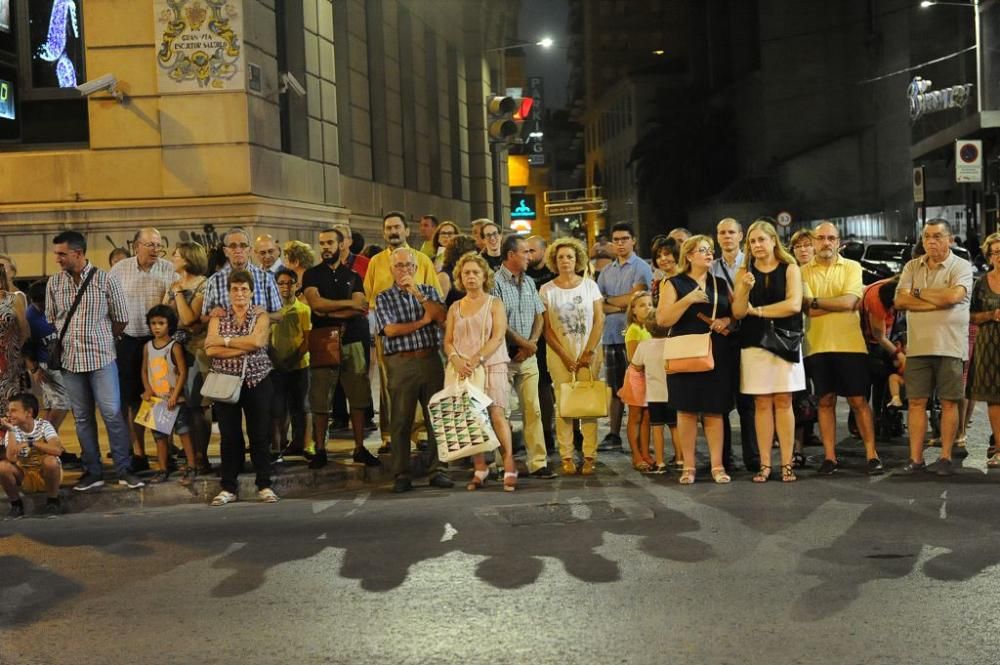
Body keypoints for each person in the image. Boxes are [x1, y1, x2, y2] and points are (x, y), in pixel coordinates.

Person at [47, 230, 143, 491]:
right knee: (82, 418)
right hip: (70, 362)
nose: (57, 259)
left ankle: (124, 469)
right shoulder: (54, 283)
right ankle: (93, 471)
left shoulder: (105, 280)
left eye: (61, 254)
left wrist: (100, 338)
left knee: (112, 413)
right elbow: (51, 319)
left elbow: (121, 318)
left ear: (78, 253)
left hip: (101, 359)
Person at [800, 221, 883, 476]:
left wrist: (817, 302)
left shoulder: (852, 267)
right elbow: (806, 307)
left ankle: (872, 454)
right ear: (813, 241)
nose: (826, 242)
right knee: (825, 401)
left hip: (851, 344)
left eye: (831, 238)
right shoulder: (801, 271)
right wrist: (833, 303)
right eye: (821, 238)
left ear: (839, 242)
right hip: (817, 345)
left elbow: (850, 302)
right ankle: (829, 457)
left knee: (859, 400)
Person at [895, 219, 973, 476]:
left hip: (950, 345)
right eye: (927, 236)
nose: (931, 241)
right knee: (916, 402)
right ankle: (915, 459)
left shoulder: (961, 266)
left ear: (950, 239)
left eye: (938, 236)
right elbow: (899, 300)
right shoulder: (912, 266)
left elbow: (954, 297)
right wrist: (934, 298)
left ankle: (945, 457)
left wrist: (917, 294)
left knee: (950, 402)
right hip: (918, 346)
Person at [657, 235, 735, 485]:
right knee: (687, 410)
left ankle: (717, 465)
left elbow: (736, 314)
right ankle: (688, 466)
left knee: (714, 410)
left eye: (710, 250)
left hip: (716, 352)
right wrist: (688, 299)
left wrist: (729, 322)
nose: (709, 253)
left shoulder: (720, 284)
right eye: (702, 250)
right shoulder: (674, 283)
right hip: (685, 353)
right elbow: (663, 320)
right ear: (689, 256)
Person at [375, 247, 453, 493]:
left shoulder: (428, 291)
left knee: (436, 417)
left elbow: (441, 318)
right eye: (399, 266)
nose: (404, 270)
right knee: (401, 419)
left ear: (416, 269)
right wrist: (421, 321)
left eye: (408, 265)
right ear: (391, 270)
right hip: (402, 362)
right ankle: (401, 473)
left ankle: (437, 469)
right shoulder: (384, 297)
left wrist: (419, 296)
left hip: (430, 359)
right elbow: (390, 330)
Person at [730, 220, 804, 483]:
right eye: (752, 241)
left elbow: (794, 305)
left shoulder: (790, 268)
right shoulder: (744, 272)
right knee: (761, 404)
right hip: (753, 343)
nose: (757, 245)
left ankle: (786, 464)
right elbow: (738, 313)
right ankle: (765, 465)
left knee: (783, 401)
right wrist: (744, 289)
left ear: (774, 241)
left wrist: (758, 311)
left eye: (761, 239)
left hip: (784, 341)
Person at [364, 212, 443, 448]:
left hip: (422, 337)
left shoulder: (421, 260)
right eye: (388, 228)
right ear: (384, 232)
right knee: (390, 385)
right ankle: (390, 436)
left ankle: (420, 434)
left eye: (397, 227)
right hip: (389, 333)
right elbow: (369, 298)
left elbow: (436, 299)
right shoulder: (376, 262)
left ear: (407, 231)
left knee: (423, 387)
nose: (393, 231)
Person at [302, 229, 379, 467]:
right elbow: (316, 304)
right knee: (321, 397)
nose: (325, 247)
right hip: (324, 340)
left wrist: (330, 309)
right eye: (322, 243)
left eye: (330, 242)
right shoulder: (312, 275)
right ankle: (321, 449)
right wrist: (348, 305)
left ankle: (359, 447)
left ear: (341, 244)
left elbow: (361, 306)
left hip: (353, 340)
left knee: (357, 395)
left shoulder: (353, 275)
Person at [444, 253, 518, 492]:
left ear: (484, 275)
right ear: (460, 277)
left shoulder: (495, 304)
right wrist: (455, 359)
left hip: (491, 365)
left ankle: (508, 464)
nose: (471, 277)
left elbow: (497, 337)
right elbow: (448, 341)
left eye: (476, 272)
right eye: (466, 273)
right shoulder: (455, 307)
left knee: (497, 415)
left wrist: (477, 359)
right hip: (463, 369)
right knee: (472, 419)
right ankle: (480, 468)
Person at [204, 270, 279, 506]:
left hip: (258, 379)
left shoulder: (260, 315)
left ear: (251, 291)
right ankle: (228, 487)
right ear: (228, 292)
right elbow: (210, 349)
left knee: (259, 433)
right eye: (235, 289)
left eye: (244, 289)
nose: (239, 293)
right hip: (225, 381)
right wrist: (243, 346)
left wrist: (225, 342)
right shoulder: (218, 316)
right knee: (229, 436)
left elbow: (258, 342)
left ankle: (264, 484)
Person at [109, 227, 177, 471]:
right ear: (136, 246)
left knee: (161, 397)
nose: (155, 250)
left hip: (159, 343)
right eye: (150, 245)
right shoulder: (119, 270)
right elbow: (110, 304)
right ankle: (138, 453)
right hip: (129, 340)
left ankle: (165, 452)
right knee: (133, 399)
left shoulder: (169, 269)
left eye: (158, 245)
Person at [539, 238, 605, 475]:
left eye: (569, 257)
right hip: (559, 354)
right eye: (560, 257)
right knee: (564, 405)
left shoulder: (590, 286)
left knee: (588, 404)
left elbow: (599, 320)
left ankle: (589, 454)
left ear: (577, 259)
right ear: (554, 262)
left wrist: (588, 351)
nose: (565, 261)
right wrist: (565, 356)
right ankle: (566, 454)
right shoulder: (547, 290)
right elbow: (546, 329)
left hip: (589, 352)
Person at [491, 235, 552, 479]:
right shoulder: (494, 283)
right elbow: (499, 322)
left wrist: (533, 344)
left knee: (533, 410)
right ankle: (502, 463)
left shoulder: (528, 282)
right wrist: (523, 343)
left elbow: (540, 314)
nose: (529, 256)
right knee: (501, 412)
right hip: (503, 358)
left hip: (528, 357)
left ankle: (538, 462)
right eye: (525, 252)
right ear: (510, 255)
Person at [597, 222, 654, 452]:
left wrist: (615, 301)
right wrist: (621, 304)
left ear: (633, 240)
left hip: (634, 335)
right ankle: (613, 434)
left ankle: (641, 438)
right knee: (615, 387)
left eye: (624, 239)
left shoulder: (641, 267)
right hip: (611, 334)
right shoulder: (606, 271)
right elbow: (599, 304)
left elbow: (637, 300)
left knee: (639, 387)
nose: (620, 243)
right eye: (616, 239)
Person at [711, 217, 758, 473]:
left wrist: (732, 317)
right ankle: (724, 457)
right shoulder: (711, 267)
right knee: (721, 400)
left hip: (748, 335)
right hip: (722, 338)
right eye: (722, 232)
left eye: (731, 232)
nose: (727, 236)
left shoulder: (751, 265)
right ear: (717, 237)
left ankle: (753, 456)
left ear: (740, 235)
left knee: (748, 400)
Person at [163, 241, 211, 473]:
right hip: (173, 350)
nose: (172, 257)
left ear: (189, 258)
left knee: (197, 406)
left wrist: (179, 294)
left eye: (177, 254)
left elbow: (190, 318)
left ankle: (202, 456)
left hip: (196, 351)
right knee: (177, 404)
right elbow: (163, 316)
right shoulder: (172, 285)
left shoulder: (203, 284)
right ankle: (186, 456)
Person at [140, 305, 197, 484]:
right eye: (153, 323)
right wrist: (148, 389)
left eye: (161, 323)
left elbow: (182, 372)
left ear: (169, 324)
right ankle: (163, 468)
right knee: (159, 437)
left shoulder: (174, 346)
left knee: (184, 433)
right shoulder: (148, 346)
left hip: (174, 400)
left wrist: (175, 395)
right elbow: (144, 370)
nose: (156, 327)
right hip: (157, 400)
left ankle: (192, 465)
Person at [269, 267, 312, 462]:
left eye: (289, 283)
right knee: (277, 408)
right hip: (275, 366)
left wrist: (293, 359)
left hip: (299, 365)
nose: (285, 287)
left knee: (300, 407)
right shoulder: (271, 310)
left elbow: (307, 339)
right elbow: (266, 339)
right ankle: (277, 446)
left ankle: (301, 444)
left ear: (296, 285)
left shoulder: (304, 309)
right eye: (281, 283)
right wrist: (276, 361)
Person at [1, 393, 65, 518]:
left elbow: (57, 450)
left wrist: (31, 443)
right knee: (2, 467)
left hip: (46, 475)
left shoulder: (44, 426)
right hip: (26, 476)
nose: (9, 414)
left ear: (28, 412)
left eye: (13, 410)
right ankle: (16, 505)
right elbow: (11, 458)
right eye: (8, 411)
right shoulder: (13, 430)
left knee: (50, 461)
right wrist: (11, 430)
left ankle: (53, 501)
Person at [201, 228, 282, 322]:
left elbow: (280, 316)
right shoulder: (214, 281)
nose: (238, 250)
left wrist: (265, 314)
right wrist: (213, 316)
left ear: (250, 250)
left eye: (243, 245)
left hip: (258, 335)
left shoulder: (266, 278)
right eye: (233, 246)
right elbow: (203, 318)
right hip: (226, 336)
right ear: (226, 251)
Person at [968, 232, 1000, 467]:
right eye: (996, 252)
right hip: (989, 345)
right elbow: (970, 316)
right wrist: (992, 315)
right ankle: (999, 448)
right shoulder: (981, 283)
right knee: (994, 399)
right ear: (989, 256)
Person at [525, 234, 557, 451]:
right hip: (530, 337)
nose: (528, 255)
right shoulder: (523, 273)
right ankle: (543, 434)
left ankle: (559, 432)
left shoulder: (553, 274)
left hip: (553, 335)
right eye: (525, 251)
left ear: (544, 251)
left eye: (532, 251)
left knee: (550, 387)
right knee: (539, 387)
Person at [24, 281, 70, 431]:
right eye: (38, 304)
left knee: (51, 405)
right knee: (63, 403)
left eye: (44, 303)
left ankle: (44, 440)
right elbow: (25, 346)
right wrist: (35, 369)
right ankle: (46, 438)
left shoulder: (60, 306)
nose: (42, 307)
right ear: (32, 301)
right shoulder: (29, 318)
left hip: (64, 362)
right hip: (46, 365)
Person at [629, 328, 671, 473]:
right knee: (675, 427)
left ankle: (658, 460)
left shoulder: (646, 344)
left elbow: (636, 363)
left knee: (655, 426)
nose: (646, 307)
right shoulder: (634, 330)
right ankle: (680, 459)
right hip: (667, 392)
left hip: (654, 392)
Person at [623, 291, 654, 470]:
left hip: (651, 377)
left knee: (647, 416)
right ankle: (636, 454)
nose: (647, 308)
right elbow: (633, 358)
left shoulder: (651, 328)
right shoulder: (634, 330)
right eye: (642, 305)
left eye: (650, 304)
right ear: (633, 310)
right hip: (638, 378)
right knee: (635, 416)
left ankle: (646, 453)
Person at [0, 257, 28, 420]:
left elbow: (24, 330)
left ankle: (10, 438)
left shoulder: (14, 298)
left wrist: (16, 351)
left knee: (10, 398)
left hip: (9, 357)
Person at [440, 234, 479, 306]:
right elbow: (437, 311)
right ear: (459, 256)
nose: (475, 260)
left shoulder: (470, 274)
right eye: (471, 256)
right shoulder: (444, 276)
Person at [650, 239, 679, 306]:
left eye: (667, 254)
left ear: (676, 254)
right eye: (658, 256)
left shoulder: (686, 280)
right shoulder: (657, 284)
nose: (663, 258)